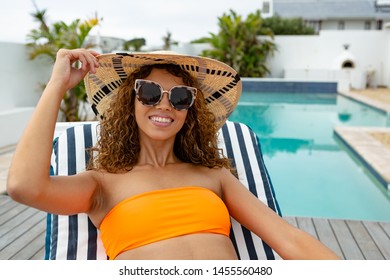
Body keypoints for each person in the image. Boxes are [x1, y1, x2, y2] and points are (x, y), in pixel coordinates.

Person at [7, 48, 340, 260]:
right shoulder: (101, 184)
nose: (164, 103)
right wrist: (57, 86)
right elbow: (24, 186)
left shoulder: (213, 175)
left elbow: (289, 239)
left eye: (180, 96)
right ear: (130, 102)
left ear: (189, 109)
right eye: (149, 92)